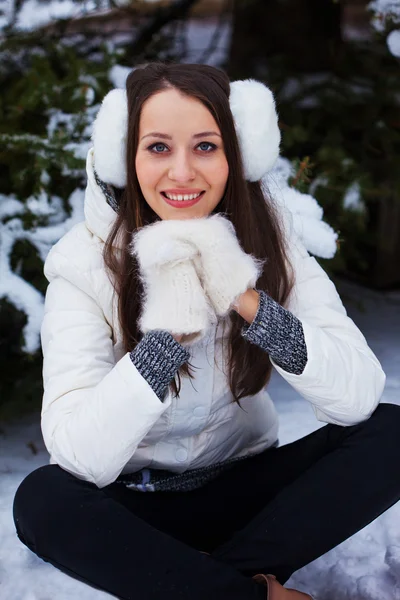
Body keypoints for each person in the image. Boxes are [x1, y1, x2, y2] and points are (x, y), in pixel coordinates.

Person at [12, 62, 400, 600]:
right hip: (135, 508)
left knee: (392, 432)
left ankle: (194, 585)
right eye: (157, 147)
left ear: (237, 153)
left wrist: (249, 302)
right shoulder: (82, 265)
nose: (182, 173)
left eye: (205, 146)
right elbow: (80, 454)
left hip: (246, 492)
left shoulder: (272, 239)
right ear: (125, 158)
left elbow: (357, 398)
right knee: (42, 499)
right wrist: (167, 339)